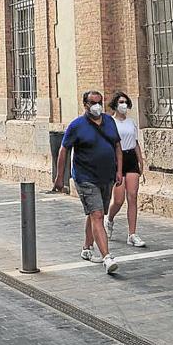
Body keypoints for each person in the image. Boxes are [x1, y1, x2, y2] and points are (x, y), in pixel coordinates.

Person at [54, 90, 123, 275]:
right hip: (85, 178)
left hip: (106, 176)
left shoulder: (109, 121)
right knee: (98, 214)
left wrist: (119, 171)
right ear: (85, 104)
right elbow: (63, 150)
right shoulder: (77, 125)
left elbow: (117, 146)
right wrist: (60, 176)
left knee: (95, 213)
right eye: (93, 103)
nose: (97, 106)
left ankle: (86, 247)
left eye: (100, 102)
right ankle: (107, 257)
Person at [104, 92, 146, 248]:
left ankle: (132, 234)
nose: (123, 105)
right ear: (115, 104)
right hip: (117, 159)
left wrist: (141, 161)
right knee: (119, 199)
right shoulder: (110, 122)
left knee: (133, 196)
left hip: (131, 158)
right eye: (121, 102)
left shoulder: (131, 122)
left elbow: (135, 142)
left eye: (125, 102)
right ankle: (109, 218)